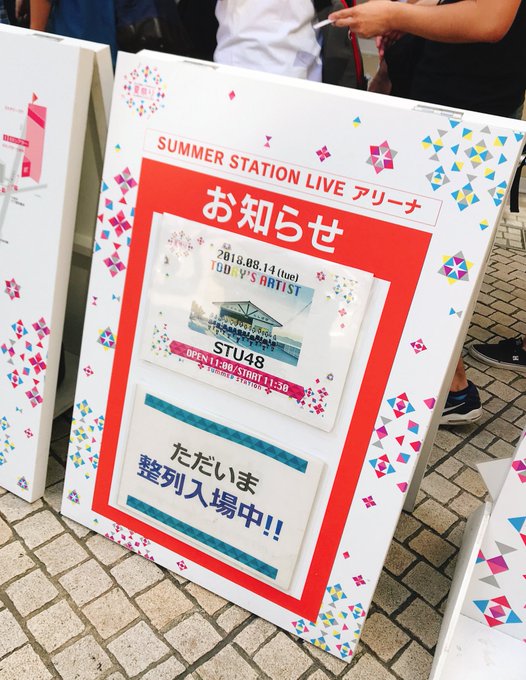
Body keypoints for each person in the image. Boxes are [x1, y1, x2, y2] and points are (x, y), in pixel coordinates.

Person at [329, 0, 525, 424]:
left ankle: (449, 389)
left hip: (466, 120)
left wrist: (395, 16)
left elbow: (490, 19)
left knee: (433, 263)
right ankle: (443, 383)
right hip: (444, 108)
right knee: (422, 258)